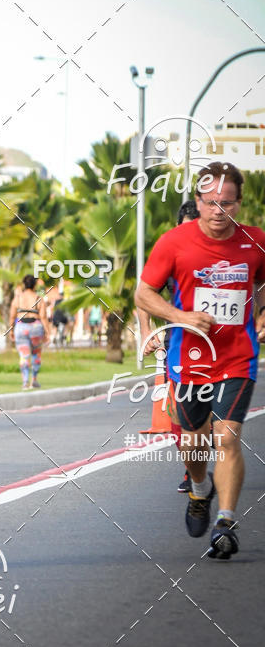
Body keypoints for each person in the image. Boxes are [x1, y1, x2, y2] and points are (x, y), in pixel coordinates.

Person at [136, 162, 265, 559]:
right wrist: (180, 317)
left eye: (226, 203)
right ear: (198, 200)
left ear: (239, 204)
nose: (217, 211)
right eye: (210, 203)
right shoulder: (174, 242)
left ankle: (225, 523)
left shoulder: (256, 241)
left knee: (226, 437)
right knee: (193, 445)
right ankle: (200, 488)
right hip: (189, 357)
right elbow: (144, 294)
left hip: (238, 356)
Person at [138, 199, 200, 493]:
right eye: (184, 230)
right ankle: (193, 471)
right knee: (180, 414)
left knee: (218, 420)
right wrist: (146, 330)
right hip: (180, 343)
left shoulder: (220, 255)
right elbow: (144, 294)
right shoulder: (171, 255)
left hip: (221, 346)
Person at [9, 275, 51, 389]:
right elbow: (43, 316)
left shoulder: (17, 298)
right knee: (36, 354)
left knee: (24, 356)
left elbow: (12, 316)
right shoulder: (38, 297)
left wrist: (11, 330)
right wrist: (47, 332)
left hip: (21, 327)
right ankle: (34, 380)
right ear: (35, 285)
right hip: (36, 327)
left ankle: (25, 382)